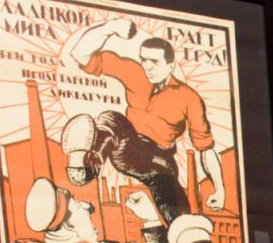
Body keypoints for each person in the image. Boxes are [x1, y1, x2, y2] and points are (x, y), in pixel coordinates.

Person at [58, 17, 225, 222]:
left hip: (159, 161)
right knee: (111, 120)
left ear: (170, 65)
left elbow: (205, 148)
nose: (148, 67)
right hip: (128, 148)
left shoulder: (188, 98)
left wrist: (220, 189)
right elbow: (79, 54)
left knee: (178, 212)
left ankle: (183, 232)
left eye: (154, 62)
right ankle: (85, 166)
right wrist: (110, 28)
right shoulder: (134, 73)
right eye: (144, 60)